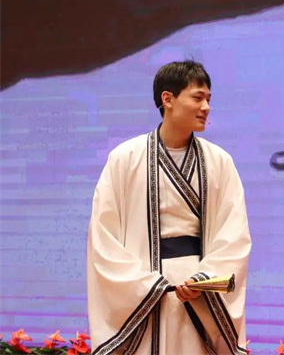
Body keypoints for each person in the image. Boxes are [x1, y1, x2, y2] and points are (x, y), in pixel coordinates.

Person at [87, 60, 251, 355]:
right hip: (143, 287)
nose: (206, 107)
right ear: (168, 99)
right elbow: (104, 236)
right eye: (197, 98)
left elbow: (234, 233)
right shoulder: (124, 158)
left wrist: (203, 280)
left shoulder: (219, 162)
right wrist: (144, 285)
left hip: (198, 291)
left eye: (208, 99)